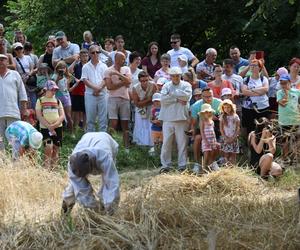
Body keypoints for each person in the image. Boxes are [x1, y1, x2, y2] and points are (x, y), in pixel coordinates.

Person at [62, 132, 120, 215]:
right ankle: (65, 213)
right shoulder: (72, 163)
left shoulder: (105, 157)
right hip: (87, 138)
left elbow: (112, 184)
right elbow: (82, 191)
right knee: (73, 188)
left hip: (106, 139)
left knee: (107, 183)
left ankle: (107, 211)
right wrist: (93, 210)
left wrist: (111, 208)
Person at [159, 67, 192, 173]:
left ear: (180, 75)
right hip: (168, 118)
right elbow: (163, 99)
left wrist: (172, 95)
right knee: (166, 143)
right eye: (173, 76)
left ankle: (182, 165)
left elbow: (186, 97)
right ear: (170, 76)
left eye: (177, 75)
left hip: (182, 118)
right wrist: (177, 99)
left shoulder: (186, 85)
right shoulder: (166, 85)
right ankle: (165, 165)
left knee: (182, 143)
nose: (175, 78)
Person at [104, 52, 132, 151]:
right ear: (116, 59)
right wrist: (123, 82)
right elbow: (109, 87)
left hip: (125, 99)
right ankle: (108, 146)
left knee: (125, 124)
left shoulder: (127, 69)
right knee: (113, 123)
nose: (124, 61)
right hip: (113, 99)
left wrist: (117, 74)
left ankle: (126, 148)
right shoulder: (107, 71)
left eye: (125, 59)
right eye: (122, 59)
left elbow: (129, 82)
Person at [0, 53, 28, 151]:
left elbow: (22, 92)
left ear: (7, 62)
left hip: (13, 112)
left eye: (3, 59)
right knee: (0, 141)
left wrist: (24, 109)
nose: (1, 62)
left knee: (14, 140)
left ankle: (15, 163)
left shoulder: (15, 74)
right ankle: (2, 163)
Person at [190, 88, 222, 172]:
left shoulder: (219, 103)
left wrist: (217, 118)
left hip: (216, 127)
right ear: (201, 96)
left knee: (218, 144)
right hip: (201, 128)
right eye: (206, 97)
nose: (208, 98)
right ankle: (198, 163)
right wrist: (193, 134)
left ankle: (212, 162)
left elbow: (223, 117)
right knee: (197, 139)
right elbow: (194, 123)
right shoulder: (196, 105)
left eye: (210, 96)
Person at [35, 80, 65, 170]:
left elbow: (62, 115)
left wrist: (54, 126)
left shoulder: (58, 101)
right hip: (45, 129)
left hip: (58, 129)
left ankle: (54, 170)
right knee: (48, 147)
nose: (53, 91)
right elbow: (39, 116)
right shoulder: (40, 100)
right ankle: (46, 169)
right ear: (46, 90)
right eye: (52, 89)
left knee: (56, 149)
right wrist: (49, 127)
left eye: (55, 90)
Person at [81, 45, 108, 132]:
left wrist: (99, 89)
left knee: (103, 118)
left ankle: (102, 138)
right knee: (90, 118)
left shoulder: (104, 66)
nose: (95, 54)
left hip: (103, 95)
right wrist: (96, 88)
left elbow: (106, 79)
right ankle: (90, 138)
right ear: (89, 54)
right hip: (90, 95)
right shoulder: (85, 66)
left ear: (100, 53)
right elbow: (85, 80)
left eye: (97, 52)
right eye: (93, 52)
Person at [241, 59, 270, 135]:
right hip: (248, 108)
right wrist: (259, 92)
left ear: (260, 68)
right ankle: (251, 145)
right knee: (250, 127)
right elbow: (244, 92)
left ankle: (263, 145)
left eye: (255, 65)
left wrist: (251, 89)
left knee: (263, 126)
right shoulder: (246, 79)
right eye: (251, 65)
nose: (252, 67)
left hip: (263, 107)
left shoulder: (264, 79)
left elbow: (265, 89)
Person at [276, 74, 300, 165]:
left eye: (285, 83)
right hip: (284, 121)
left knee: (296, 141)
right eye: (281, 83)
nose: (283, 85)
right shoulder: (279, 93)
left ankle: (295, 159)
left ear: (290, 82)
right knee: (285, 141)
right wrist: (286, 93)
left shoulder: (297, 92)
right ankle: (285, 158)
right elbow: (283, 103)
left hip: (296, 120)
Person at [132, 71, 156, 146]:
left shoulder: (153, 85)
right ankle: (140, 143)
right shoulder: (135, 88)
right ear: (139, 80)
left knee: (150, 125)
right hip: (140, 109)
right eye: (143, 81)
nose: (145, 82)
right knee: (140, 125)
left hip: (151, 108)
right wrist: (149, 100)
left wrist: (145, 102)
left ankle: (151, 143)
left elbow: (155, 100)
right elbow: (137, 104)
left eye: (146, 80)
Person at [68, 48, 89, 130]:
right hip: (76, 90)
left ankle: (84, 127)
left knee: (85, 110)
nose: (85, 57)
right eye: (83, 56)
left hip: (87, 91)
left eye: (86, 56)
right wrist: (75, 61)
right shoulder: (77, 65)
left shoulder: (90, 65)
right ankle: (75, 127)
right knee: (76, 110)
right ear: (80, 57)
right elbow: (68, 71)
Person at [52, 60, 74, 135]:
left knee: (68, 115)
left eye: (63, 68)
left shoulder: (68, 76)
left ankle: (72, 132)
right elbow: (53, 87)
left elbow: (67, 88)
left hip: (66, 97)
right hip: (57, 97)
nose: (62, 69)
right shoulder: (54, 76)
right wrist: (58, 79)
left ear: (66, 69)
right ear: (57, 69)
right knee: (57, 115)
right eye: (60, 68)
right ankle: (59, 132)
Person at [13, 42, 36, 108]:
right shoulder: (14, 60)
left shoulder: (28, 57)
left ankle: (34, 113)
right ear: (15, 51)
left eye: (20, 48)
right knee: (23, 96)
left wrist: (29, 75)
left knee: (32, 97)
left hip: (29, 78)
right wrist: (21, 79)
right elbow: (15, 71)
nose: (19, 50)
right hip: (20, 79)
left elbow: (32, 68)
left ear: (23, 49)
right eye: (17, 49)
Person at [199, 103, 220, 171]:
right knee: (206, 153)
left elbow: (212, 132)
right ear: (203, 113)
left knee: (212, 152)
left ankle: (210, 165)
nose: (208, 113)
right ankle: (204, 168)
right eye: (206, 112)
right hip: (206, 140)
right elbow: (202, 132)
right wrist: (205, 140)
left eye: (209, 112)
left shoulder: (211, 121)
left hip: (212, 140)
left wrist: (215, 141)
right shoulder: (202, 121)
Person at [219, 99, 240, 164]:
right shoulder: (222, 117)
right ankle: (226, 166)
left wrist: (233, 137)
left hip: (233, 137)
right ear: (223, 108)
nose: (226, 109)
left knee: (233, 154)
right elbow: (221, 128)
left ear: (231, 107)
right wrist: (225, 137)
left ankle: (233, 166)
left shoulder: (235, 116)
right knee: (226, 153)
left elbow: (237, 128)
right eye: (225, 107)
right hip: (226, 138)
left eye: (228, 107)